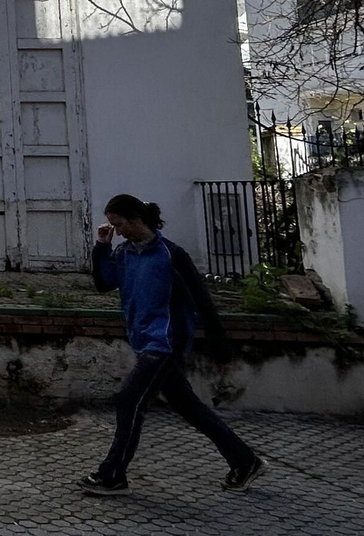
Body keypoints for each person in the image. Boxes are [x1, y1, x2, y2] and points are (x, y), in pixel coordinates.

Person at [78, 193, 266, 496]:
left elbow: (203, 301)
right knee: (188, 407)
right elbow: (103, 283)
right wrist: (101, 246)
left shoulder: (171, 254)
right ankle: (245, 462)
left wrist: (221, 348)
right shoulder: (125, 253)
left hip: (166, 342)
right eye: (113, 226)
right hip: (144, 340)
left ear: (136, 218)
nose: (118, 231)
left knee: (129, 400)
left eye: (119, 224)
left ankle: (112, 475)